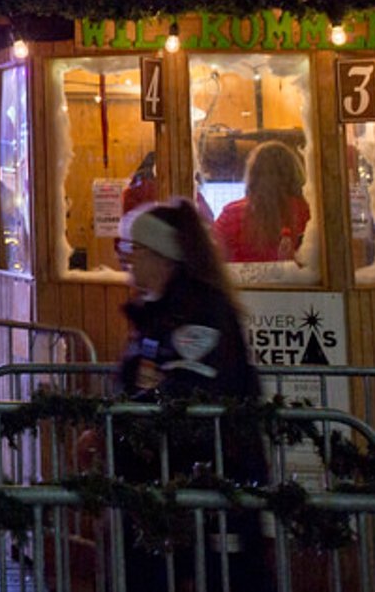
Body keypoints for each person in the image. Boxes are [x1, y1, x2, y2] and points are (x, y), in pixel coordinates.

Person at [112, 200, 266, 592]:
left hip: (207, 489)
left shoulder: (198, 312)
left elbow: (189, 390)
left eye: (134, 250)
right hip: (161, 489)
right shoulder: (156, 312)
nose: (126, 260)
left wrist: (117, 420)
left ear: (162, 256)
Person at [211, 141, 310, 264]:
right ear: (295, 173)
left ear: (252, 175)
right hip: (297, 283)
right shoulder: (309, 213)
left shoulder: (231, 214)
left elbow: (213, 262)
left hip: (243, 284)